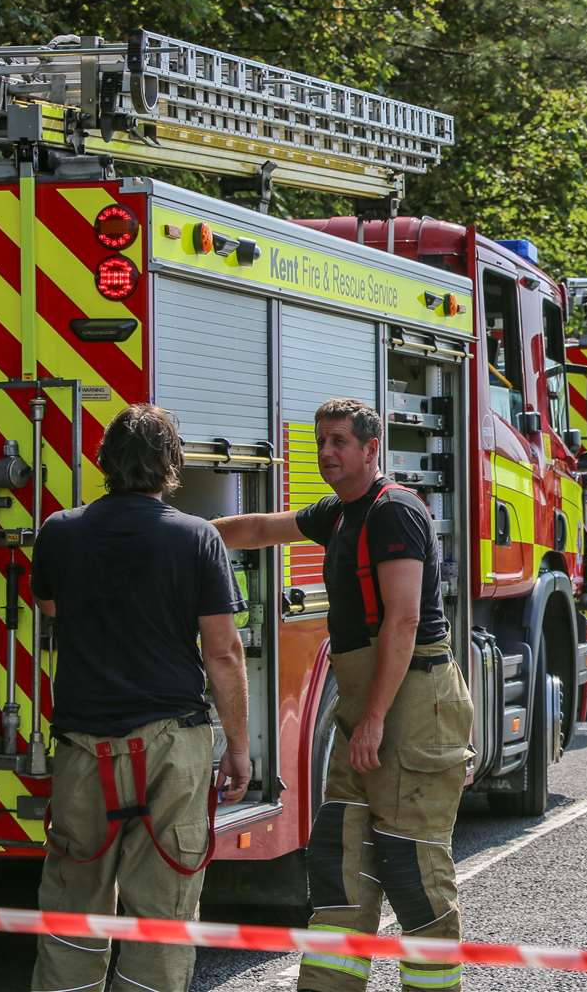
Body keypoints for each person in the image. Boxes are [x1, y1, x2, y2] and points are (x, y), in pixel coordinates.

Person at [212, 398, 471, 992]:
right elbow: (257, 529)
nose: (327, 452)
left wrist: (374, 718)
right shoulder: (340, 513)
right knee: (339, 863)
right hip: (366, 702)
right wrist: (179, 533)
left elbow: (403, 623)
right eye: (321, 442)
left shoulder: (393, 514)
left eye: (339, 442)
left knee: (411, 865)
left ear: (370, 448)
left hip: (413, 703)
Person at [30, 403, 250, 992]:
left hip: (82, 746)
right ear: (171, 465)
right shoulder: (196, 538)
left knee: (75, 904)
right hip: (171, 744)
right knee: (163, 909)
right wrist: (238, 747)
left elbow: (53, 609)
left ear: (104, 463)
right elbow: (223, 652)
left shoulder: (60, 531)